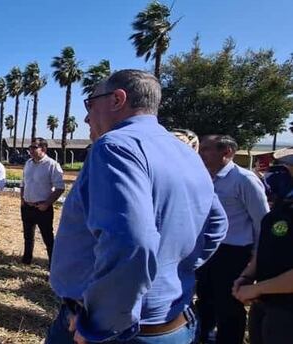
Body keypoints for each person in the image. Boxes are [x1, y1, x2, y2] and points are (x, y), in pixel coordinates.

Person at [47, 70, 228, 344]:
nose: (86, 117)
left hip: (117, 332)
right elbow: (216, 225)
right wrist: (174, 268)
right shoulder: (185, 154)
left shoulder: (115, 147)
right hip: (174, 322)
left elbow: (131, 242)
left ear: (118, 99)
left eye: (90, 104)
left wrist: (99, 324)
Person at [196, 134, 270, 344]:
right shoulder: (204, 177)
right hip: (208, 250)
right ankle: (204, 337)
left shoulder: (244, 180)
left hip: (234, 253)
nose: (200, 154)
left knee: (229, 306)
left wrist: (256, 257)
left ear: (226, 152)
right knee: (205, 301)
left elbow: (262, 220)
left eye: (206, 149)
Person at [233, 148, 293, 344]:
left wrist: (257, 289)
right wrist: (248, 275)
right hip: (269, 304)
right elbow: (271, 242)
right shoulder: (287, 196)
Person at [20, 138, 65, 266]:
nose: (31, 150)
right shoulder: (28, 163)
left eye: (34, 147)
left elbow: (60, 188)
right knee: (28, 236)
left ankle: (53, 265)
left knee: (47, 238)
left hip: (42, 208)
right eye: (30, 147)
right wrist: (22, 199)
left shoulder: (52, 165)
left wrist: (46, 204)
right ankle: (26, 260)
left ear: (43, 149)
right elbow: (23, 183)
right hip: (27, 206)